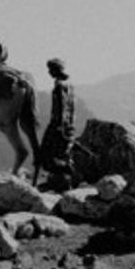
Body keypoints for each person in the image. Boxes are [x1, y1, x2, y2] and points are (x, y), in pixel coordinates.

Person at [40, 58, 76, 190]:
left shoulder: (59, 85)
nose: (49, 72)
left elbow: (61, 106)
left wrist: (58, 127)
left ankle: (65, 173)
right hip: (69, 126)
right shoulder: (70, 84)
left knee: (46, 154)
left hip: (58, 125)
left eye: (50, 70)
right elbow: (72, 107)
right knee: (62, 153)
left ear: (56, 70)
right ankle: (61, 180)